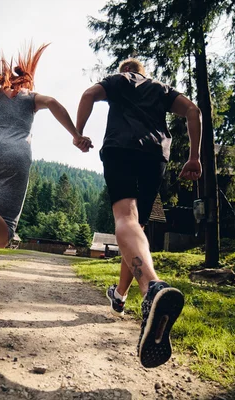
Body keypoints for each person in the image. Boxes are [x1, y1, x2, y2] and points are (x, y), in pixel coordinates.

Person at [0, 43, 93, 315]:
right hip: (15, 155)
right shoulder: (31, 97)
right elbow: (54, 104)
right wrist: (75, 134)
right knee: (3, 235)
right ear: (28, 80)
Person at [76, 58, 202, 368]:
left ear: (125, 71)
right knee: (137, 230)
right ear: (143, 71)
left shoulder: (118, 81)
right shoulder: (160, 88)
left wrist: (78, 133)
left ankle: (152, 288)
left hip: (121, 149)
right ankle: (119, 295)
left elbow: (88, 95)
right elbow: (193, 111)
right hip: (155, 156)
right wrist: (194, 156)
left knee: (125, 219)